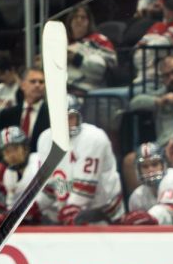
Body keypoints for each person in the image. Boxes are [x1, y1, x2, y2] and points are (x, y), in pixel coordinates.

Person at [28, 96, 123, 225]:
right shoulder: (45, 139)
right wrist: (31, 208)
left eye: (70, 117)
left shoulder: (94, 138)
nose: (66, 123)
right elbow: (49, 187)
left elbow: (85, 189)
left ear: (79, 116)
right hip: (68, 212)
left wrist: (69, 210)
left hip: (103, 213)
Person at [65, 4, 117, 91]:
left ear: (89, 22)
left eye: (83, 17)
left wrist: (76, 58)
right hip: (63, 91)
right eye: (75, 17)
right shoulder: (63, 42)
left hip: (90, 91)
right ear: (70, 21)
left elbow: (109, 66)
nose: (79, 20)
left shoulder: (99, 40)